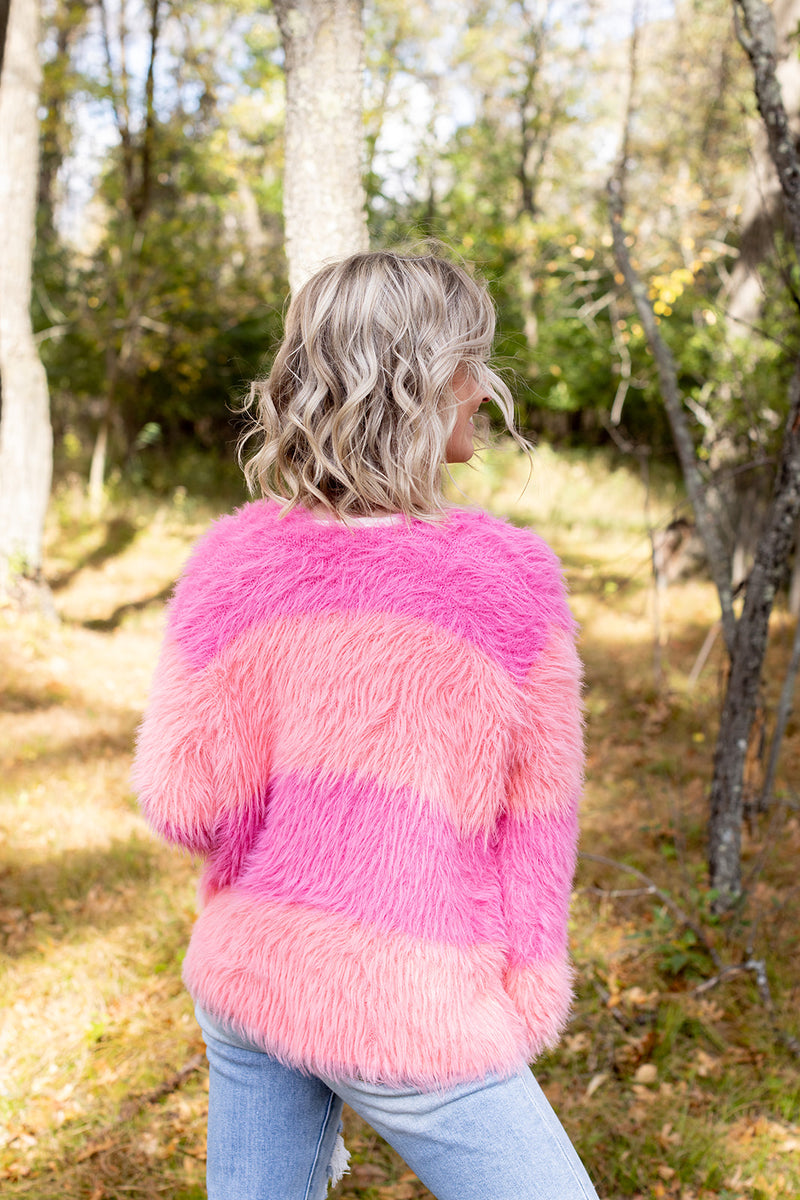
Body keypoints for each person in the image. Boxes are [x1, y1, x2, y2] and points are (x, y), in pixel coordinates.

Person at [132, 249, 598, 1200]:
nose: (485, 389)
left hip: (249, 975)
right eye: (473, 361)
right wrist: (521, 996)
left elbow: (181, 802)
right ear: (424, 384)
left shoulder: (236, 561)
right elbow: (537, 830)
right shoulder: (511, 582)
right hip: (409, 1002)